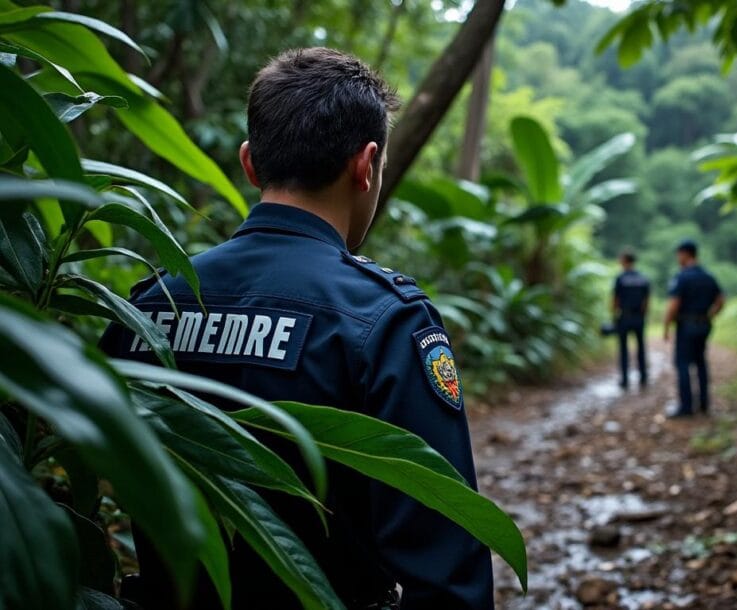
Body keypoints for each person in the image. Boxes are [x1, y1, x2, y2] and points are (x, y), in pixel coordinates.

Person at [102, 48, 493, 609]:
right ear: (366, 164)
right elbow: (448, 572)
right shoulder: (386, 320)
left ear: (249, 163)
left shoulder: (146, 305)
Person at [662, 240, 725, 418]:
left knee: (682, 364)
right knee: (700, 363)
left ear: (684, 254)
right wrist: (710, 314)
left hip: (686, 325)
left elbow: (674, 305)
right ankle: (704, 404)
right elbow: (720, 300)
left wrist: (667, 326)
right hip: (704, 325)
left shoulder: (682, 277)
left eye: (678, 254)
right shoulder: (708, 276)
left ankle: (686, 407)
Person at [612, 249, 650, 388]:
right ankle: (643, 377)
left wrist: (614, 315)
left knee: (623, 349)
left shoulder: (620, 278)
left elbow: (615, 299)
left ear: (625, 260)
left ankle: (625, 379)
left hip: (625, 316)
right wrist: (643, 315)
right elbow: (646, 300)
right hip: (639, 317)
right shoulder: (643, 278)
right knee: (641, 347)